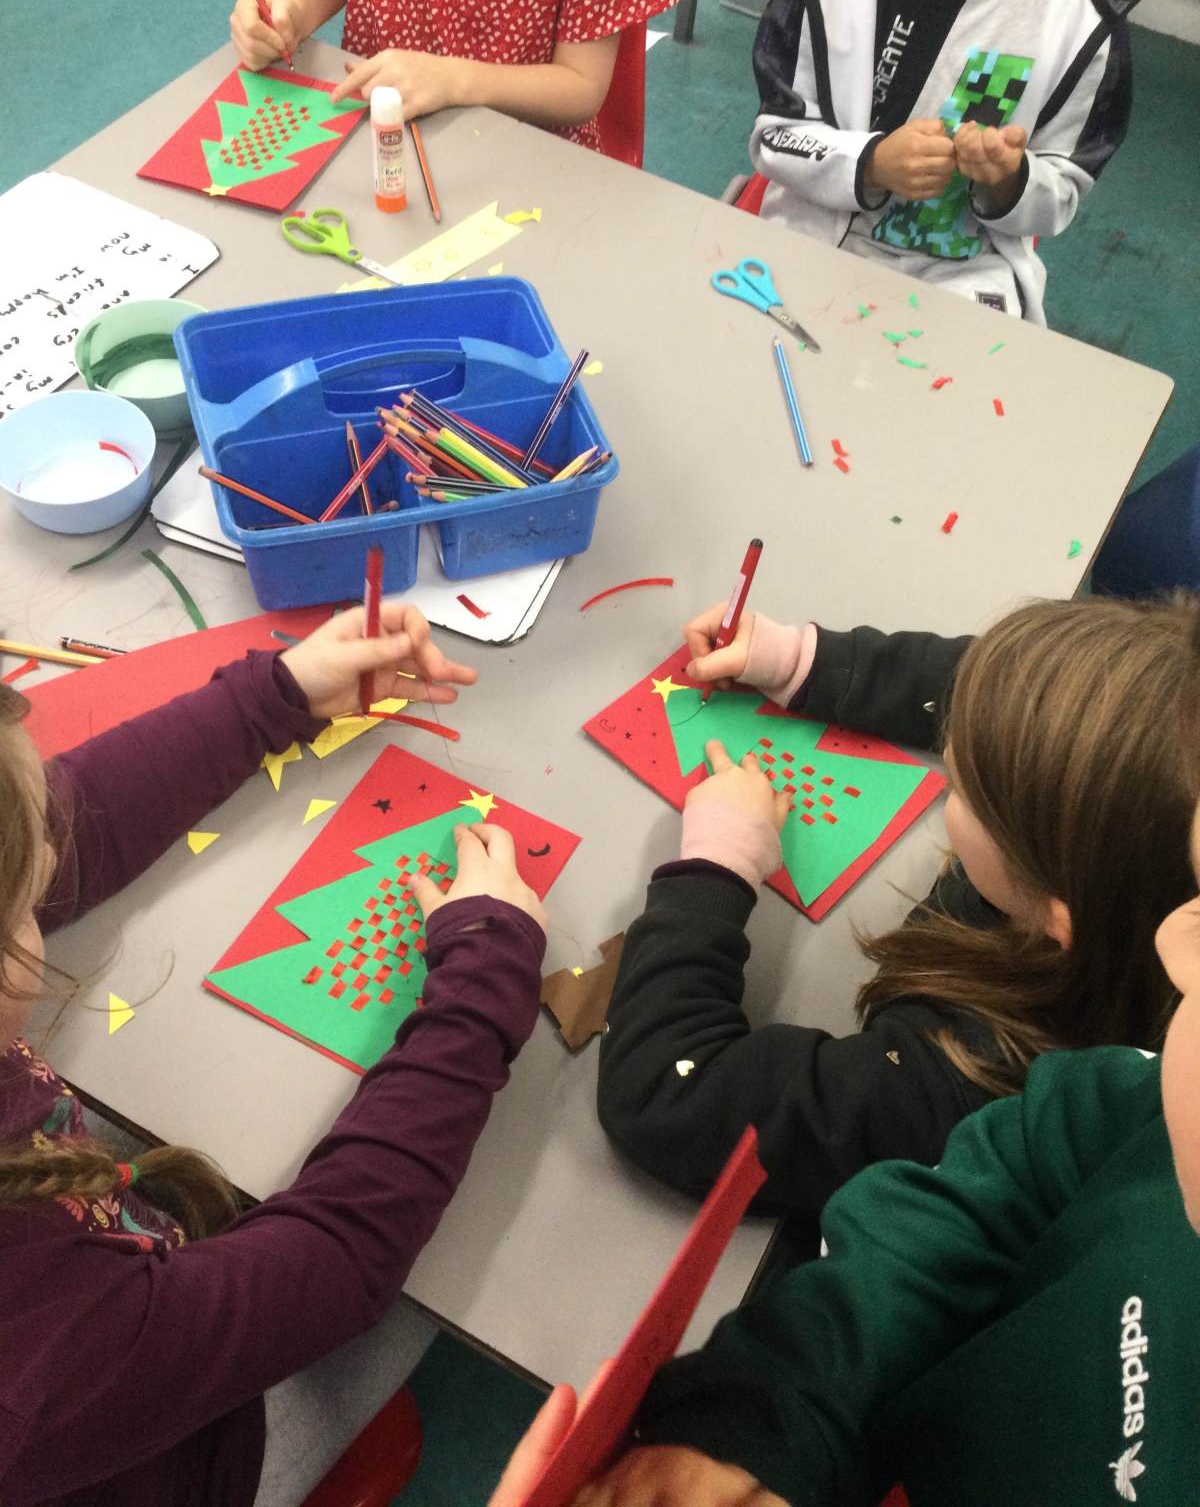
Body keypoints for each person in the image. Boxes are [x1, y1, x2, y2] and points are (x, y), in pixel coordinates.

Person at [0, 605, 551, 1507]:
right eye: (23, 899)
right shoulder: (37, 1358)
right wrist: (486, 979)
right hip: (189, 1459)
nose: (53, 854)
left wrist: (273, 698)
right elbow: (341, 1260)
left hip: (110, 1286)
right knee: (448, 1294)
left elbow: (44, 834)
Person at [597, 597, 1195, 1221]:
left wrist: (715, 869)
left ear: (1055, 913)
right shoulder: (1156, 827)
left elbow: (669, 1097)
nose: (948, 772)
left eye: (962, 788)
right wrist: (804, 661)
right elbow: (1010, 688)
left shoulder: (965, 1088)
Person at [749, 0, 1158, 321]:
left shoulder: (1089, 23)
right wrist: (871, 163)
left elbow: (1062, 195)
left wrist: (1011, 180)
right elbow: (775, 136)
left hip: (970, 272)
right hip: (814, 236)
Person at [229, 0, 682, 150]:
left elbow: (581, 85)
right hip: (381, 133)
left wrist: (450, 80)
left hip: (522, 158)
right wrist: (293, 11)